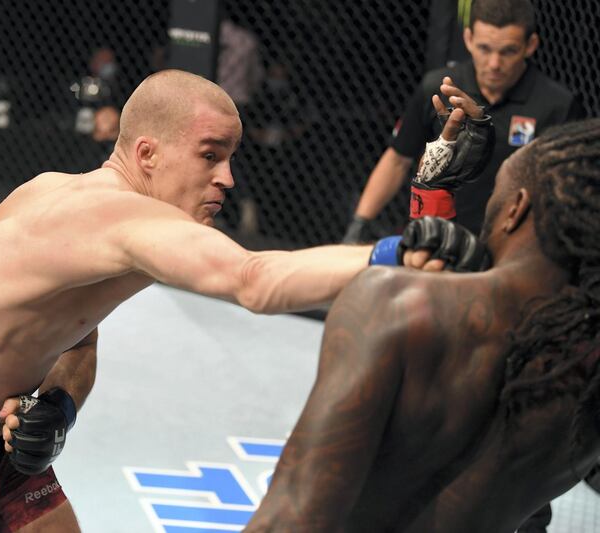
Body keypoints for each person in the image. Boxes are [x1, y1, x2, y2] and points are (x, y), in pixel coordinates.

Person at [0, 69, 483, 532]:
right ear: (147, 153)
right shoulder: (117, 221)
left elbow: (76, 334)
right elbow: (253, 279)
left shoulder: (64, 192)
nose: (227, 176)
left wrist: (59, 402)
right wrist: (392, 251)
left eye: (231, 156)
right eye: (209, 155)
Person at [246, 118, 600, 532]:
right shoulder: (584, 369)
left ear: (516, 208)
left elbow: (292, 517)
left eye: (495, 198)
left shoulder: (398, 304)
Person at [343, 0, 583, 242]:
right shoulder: (439, 89)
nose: (494, 64)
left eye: (508, 51)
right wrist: (359, 224)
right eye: (484, 48)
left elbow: (566, 189)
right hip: (438, 238)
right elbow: (397, 159)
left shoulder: (558, 105)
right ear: (468, 39)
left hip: (514, 247)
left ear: (530, 45)